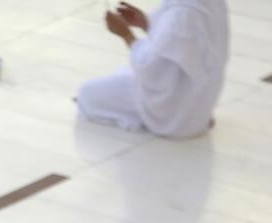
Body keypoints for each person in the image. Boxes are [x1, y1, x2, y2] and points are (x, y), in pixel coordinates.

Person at [76, 1, 229, 138]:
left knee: (87, 95)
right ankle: (196, 116)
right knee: (123, 72)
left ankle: (151, 120)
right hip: (200, 103)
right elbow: (185, 45)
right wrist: (145, 22)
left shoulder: (182, 12)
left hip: (174, 112)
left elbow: (152, 68)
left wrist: (126, 35)